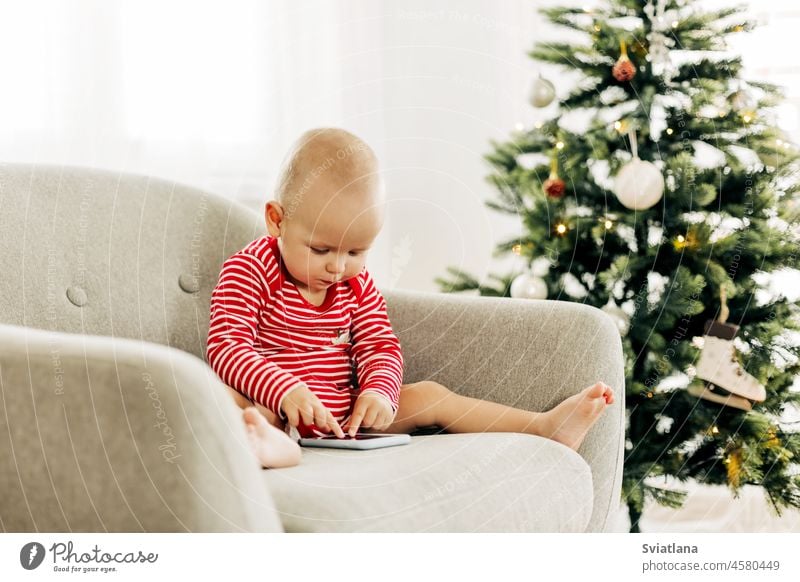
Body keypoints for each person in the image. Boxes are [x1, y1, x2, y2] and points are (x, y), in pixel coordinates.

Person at [207, 127, 614, 469]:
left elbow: (379, 345)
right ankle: (270, 443)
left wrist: (378, 392)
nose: (337, 267)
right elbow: (226, 347)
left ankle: (543, 427)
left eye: (355, 252)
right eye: (320, 250)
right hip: (275, 407)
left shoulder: (356, 284)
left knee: (431, 395)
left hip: (346, 414)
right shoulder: (251, 268)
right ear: (277, 220)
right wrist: (282, 391)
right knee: (223, 398)